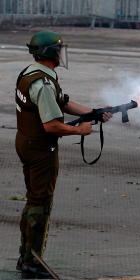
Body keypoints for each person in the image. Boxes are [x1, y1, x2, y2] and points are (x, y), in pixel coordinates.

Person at [15, 30, 113, 279]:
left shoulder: (31, 74)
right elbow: (51, 125)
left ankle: (25, 255)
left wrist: (94, 111)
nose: (62, 54)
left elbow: (63, 102)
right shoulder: (44, 84)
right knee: (41, 203)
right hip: (40, 148)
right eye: (59, 50)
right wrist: (78, 130)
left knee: (33, 199)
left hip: (27, 143)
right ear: (51, 53)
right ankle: (31, 263)